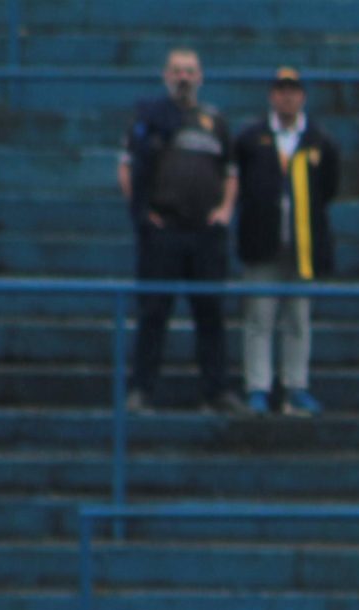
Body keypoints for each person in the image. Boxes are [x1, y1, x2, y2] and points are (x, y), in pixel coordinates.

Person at [119, 47, 242, 414]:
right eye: (177, 71)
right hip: (164, 231)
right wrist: (142, 213)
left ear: (200, 77)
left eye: (190, 71)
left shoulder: (216, 120)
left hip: (205, 232)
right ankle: (142, 390)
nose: (184, 78)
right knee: (154, 312)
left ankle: (215, 392)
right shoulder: (148, 119)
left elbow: (231, 173)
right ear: (166, 76)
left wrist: (225, 210)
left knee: (210, 314)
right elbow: (126, 169)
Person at [232, 67, 340, 417]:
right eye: (281, 90)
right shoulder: (251, 138)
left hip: (302, 247)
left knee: (297, 319)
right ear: (271, 95)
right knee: (259, 319)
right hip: (262, 243)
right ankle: (258, 388)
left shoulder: (319, 140)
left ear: (302, 96)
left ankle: (296, 386)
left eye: (293, 91)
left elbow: (329, 189)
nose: (287, 97)